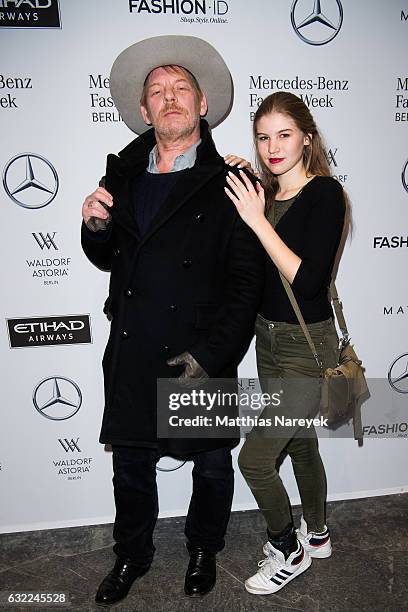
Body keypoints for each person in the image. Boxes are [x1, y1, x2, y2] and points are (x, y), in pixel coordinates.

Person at [81, 35, 263, 606]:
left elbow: (246, 284)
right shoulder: (122, 178)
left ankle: (204, 548)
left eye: (180, 87)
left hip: (199, 353)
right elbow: (109, 256)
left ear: (202, 103)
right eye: (157, 92)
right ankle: (131, 554)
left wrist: (213, 356)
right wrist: (95, 228)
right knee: (131, 466)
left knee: (210, 464)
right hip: (136, 349)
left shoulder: (234, 182)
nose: (170, 98)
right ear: (143, 111)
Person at [224, 91, 347, 595]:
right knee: (299, 443)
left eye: (284, 134)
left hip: (304, 344)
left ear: (306, 138)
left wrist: (257, 219)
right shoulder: (262, 194)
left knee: (253, 459)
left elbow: (308, 280)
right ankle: (316, 535)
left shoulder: (326, 194)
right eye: (262, 136)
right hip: (266, 337)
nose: (272, 147)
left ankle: (288, 548)